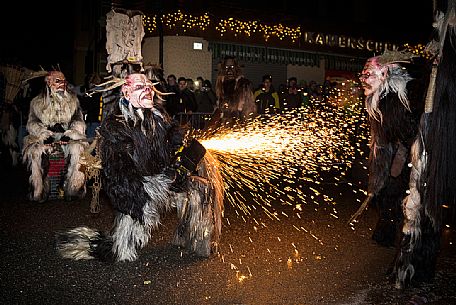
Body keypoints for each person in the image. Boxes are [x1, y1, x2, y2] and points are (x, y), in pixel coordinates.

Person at [55, 72, 224, 262]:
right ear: (126, 94)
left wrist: (182, 157)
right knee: (119, 253)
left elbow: (174, 141)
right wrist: (147, 192)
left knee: (202, 188)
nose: (147, 91)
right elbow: (117, 176)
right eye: (139, 88)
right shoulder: (115, 126)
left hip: (164, 180)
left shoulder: (160, 117)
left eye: (149, 87)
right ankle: (78, 241)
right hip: (137, 192)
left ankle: (194, 240)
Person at [22, 70, 87, 203]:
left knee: (78, 149)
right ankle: (38, 191)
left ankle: (73, 189)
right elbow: (32, 123)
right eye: (58, 81)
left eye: (64, 81)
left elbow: (78, 121)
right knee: (35, 151)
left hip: (67, 136)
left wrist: (70, 135)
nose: (62, 84)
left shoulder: (74, 101)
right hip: (43, 136)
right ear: (48, 82)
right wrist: (44, 135)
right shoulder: (36, 102)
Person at [215, 56, 256, 123]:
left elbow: (247, 106)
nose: (229, 70)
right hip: (226, 120)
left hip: (239, 120)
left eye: (232, 67)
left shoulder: (243, 84)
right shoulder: (221, 83)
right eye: (226, 67)